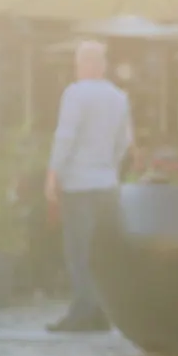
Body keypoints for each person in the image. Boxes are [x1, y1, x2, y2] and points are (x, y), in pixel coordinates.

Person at [44, 40, 134, 333]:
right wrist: (110, 166)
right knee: (100, 252)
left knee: (78, 250)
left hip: (78, 184)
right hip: (107, 183)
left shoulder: (75, 94)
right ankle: (99, 311)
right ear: (104, 65)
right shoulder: (119, 97)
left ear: (81, 64)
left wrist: (53, 174)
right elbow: (124, 142)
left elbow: (65, 136)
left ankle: (82, 311)